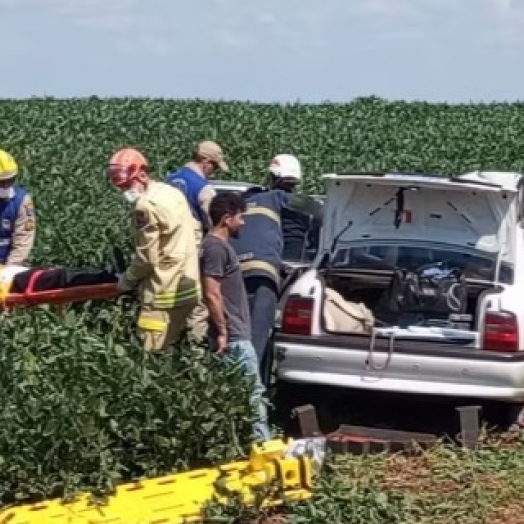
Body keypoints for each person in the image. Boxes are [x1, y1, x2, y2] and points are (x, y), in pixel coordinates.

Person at [228, 154, 323, 378]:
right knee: (258, 338)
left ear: (271, 176)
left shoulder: (247, 200)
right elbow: (316, 210)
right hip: (269, 274)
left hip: (235, 272)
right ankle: (253, 391)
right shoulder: (283, 199)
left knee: (235, 335)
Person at [107, 147, 201, 353]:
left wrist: (126, 281)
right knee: (182, 351)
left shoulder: (145, 206)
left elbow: (147, 258)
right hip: (189, 289)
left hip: (162, 295)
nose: (125, 191)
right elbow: (195, 231)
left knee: (150, 357)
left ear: (141, 174)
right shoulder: (172, 193)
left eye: (127, 185)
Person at [200, 192, 271, 442]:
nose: (243, 222)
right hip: (233, 336)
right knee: (254, 394)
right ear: (227, 219)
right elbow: (212, 293)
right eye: (241, 217)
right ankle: (262, 448)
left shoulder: (216, 247)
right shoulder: (216, 249)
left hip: (232, 334)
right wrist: (222, 331)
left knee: (232, 396)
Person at [165, 140, 229, 343]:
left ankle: (164, 352)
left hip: (164, 257)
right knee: (197, 309)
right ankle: (195, 358)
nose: (213, 172)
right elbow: (214, 227)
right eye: (214, 167)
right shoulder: (204, 189)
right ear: (205, 161)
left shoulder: (168, 181)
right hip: (190, 259)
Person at [0, 149, 36, 266]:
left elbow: (23, 241)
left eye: (10, 180)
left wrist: (8, 270)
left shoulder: (21, 201)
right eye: (2, 182)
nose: (6, 186)